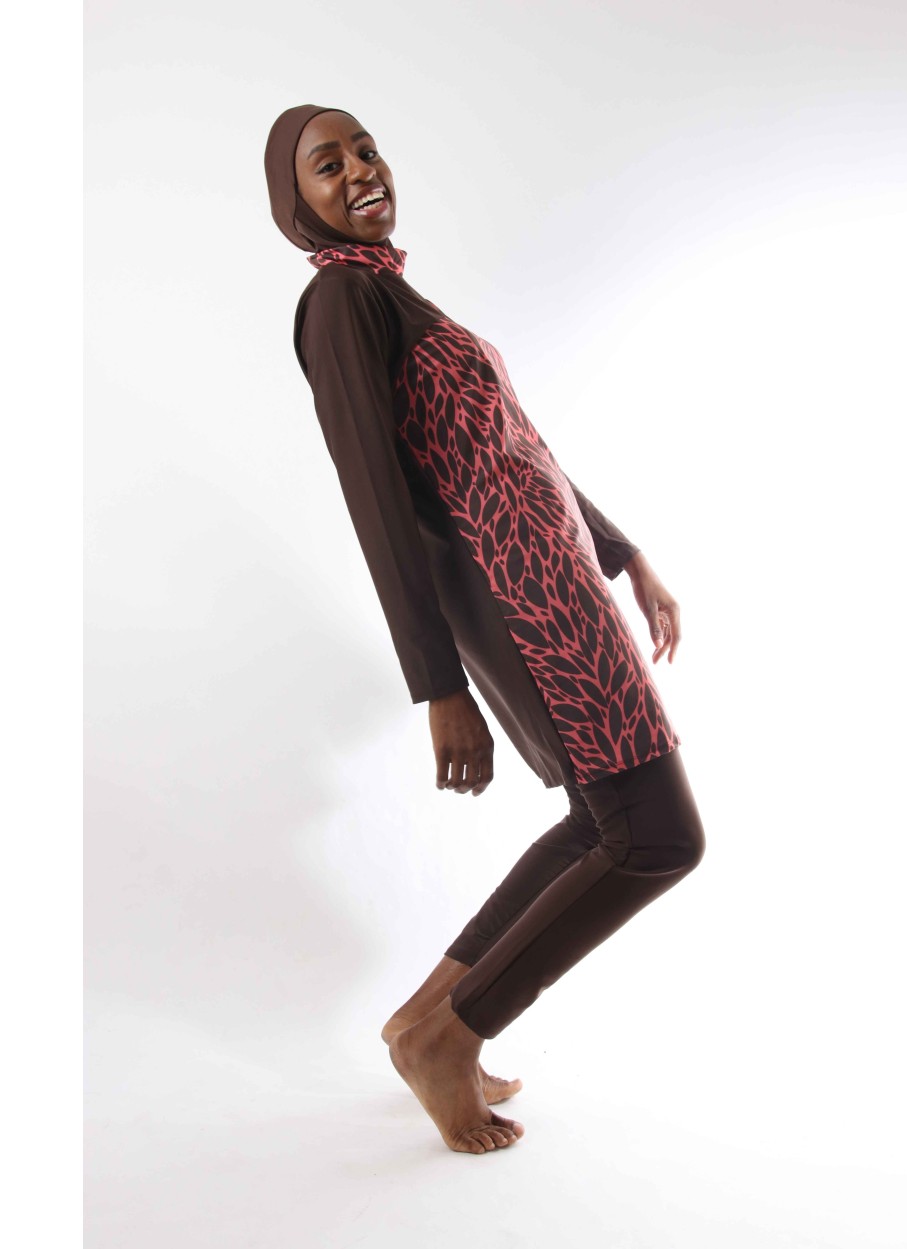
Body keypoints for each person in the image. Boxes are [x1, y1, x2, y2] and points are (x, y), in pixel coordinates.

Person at [264, 104, 707, 1155]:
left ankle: (421, 1024)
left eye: (365, 148)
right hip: (526, 606)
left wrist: (624, 553)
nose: (359, 169)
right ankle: (451, 1038)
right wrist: (437, 685)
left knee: (604, 825)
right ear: (295, 201)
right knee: (656, 835)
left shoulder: (391, 291)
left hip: (564, 588)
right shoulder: (340, 300)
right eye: (328, 164)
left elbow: (515, 447)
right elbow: (377, 501)